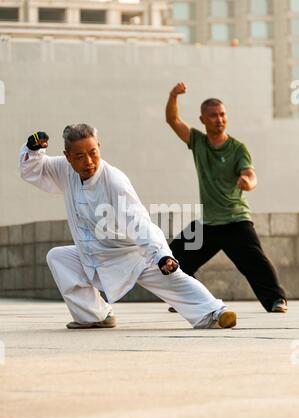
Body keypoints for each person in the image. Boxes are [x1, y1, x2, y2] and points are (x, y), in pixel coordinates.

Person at [19, 124, 237, 330]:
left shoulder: (113, 180)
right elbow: (34, 170)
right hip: (92, 254)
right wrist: (33, 149)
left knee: (171, 278)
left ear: (99, 147)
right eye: (79, 156)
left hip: (128, 253)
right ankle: (95, 317)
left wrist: (161, 254)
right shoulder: (64, 169)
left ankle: (215, 312)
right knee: (59, 258)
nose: (88, 161)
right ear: (67, 157)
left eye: (93, 152)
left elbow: (138, 221)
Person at [165, 82, 287, 314]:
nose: (219, 119)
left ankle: (277, 300)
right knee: (174, 257)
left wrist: (248, 182)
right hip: (209, 223)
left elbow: (249, 174)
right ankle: (187, 299)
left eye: (222, 115)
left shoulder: (238, 148)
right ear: (203, 119)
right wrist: (173, 96)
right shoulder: (198, 143)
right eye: (213, 116)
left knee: (255, 263)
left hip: (235, 220)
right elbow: (173, 120)